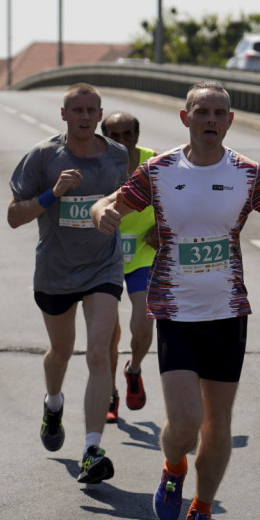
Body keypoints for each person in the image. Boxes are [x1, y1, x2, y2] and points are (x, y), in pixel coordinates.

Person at [91, 81, 260, 520]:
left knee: (218, 424)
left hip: (228, 311)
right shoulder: (159, 171)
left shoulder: (249, 174)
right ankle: (173, 469)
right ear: (185, 118)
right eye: (202, 112)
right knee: (186, 423)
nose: (211, 120)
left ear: (229, 121)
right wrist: (101, 215)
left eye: (219, 113)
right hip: (175, 310)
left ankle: (202, 511)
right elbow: (106, 203)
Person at [7, 83, 130, 484]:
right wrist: (51, 195)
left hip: (103, 268)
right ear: (64, 115)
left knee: (99, 352)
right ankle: (53, 403)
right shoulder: (43, 156)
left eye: (91, 110)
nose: (84, 116)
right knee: (61, 351)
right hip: (56, 272)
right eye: (76, 110)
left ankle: (92, 449)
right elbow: (13, 216)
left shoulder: (116, 156)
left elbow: (124, 201)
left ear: (99, 115)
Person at [100, 111, 155, 424]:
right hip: (105, 255)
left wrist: (164, 227)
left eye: (127, 134)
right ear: (104, 137)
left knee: (143, 324)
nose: (122, 141)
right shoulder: (95, 165)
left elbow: (179, 201)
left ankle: (133, 369)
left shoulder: (155, 163)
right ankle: (109, 393)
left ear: (137, 134)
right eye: (114, 136)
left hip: (143, 254)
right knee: (108, 331)